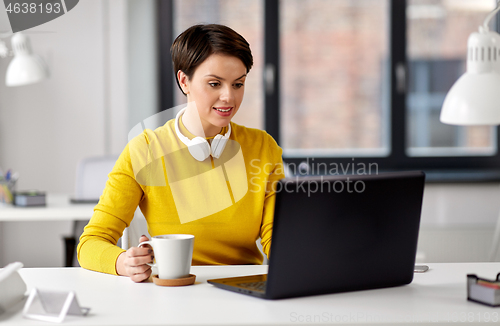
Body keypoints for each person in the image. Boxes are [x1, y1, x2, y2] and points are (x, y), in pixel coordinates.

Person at [77, 24, 285, 282]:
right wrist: (122, 261)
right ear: (184, 81)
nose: (228, 97)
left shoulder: (263, 147)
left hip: (244, 286)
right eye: (214, 83)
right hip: (175, 290)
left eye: (238, 84)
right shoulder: (145, 150)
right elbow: (90, 243)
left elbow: (276, 236)